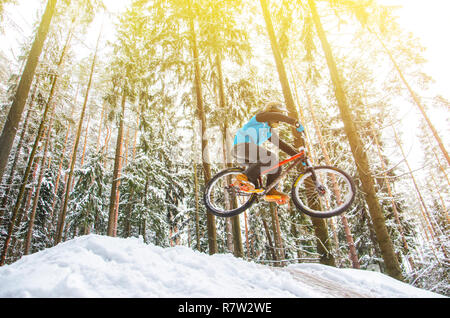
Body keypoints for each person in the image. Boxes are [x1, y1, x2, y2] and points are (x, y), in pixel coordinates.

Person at [231, 101, 304, 204]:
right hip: (241, 147)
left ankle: (270, 191)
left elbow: (282, 145)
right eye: (278, 118)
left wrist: (298, 156)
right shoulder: (260, 118)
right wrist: (294, 122)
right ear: (272, 113)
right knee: (270, 157)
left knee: (277, 165)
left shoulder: (268, 132)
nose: (279, 121)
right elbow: (273, 115)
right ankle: (243, 177)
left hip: (246, 155)